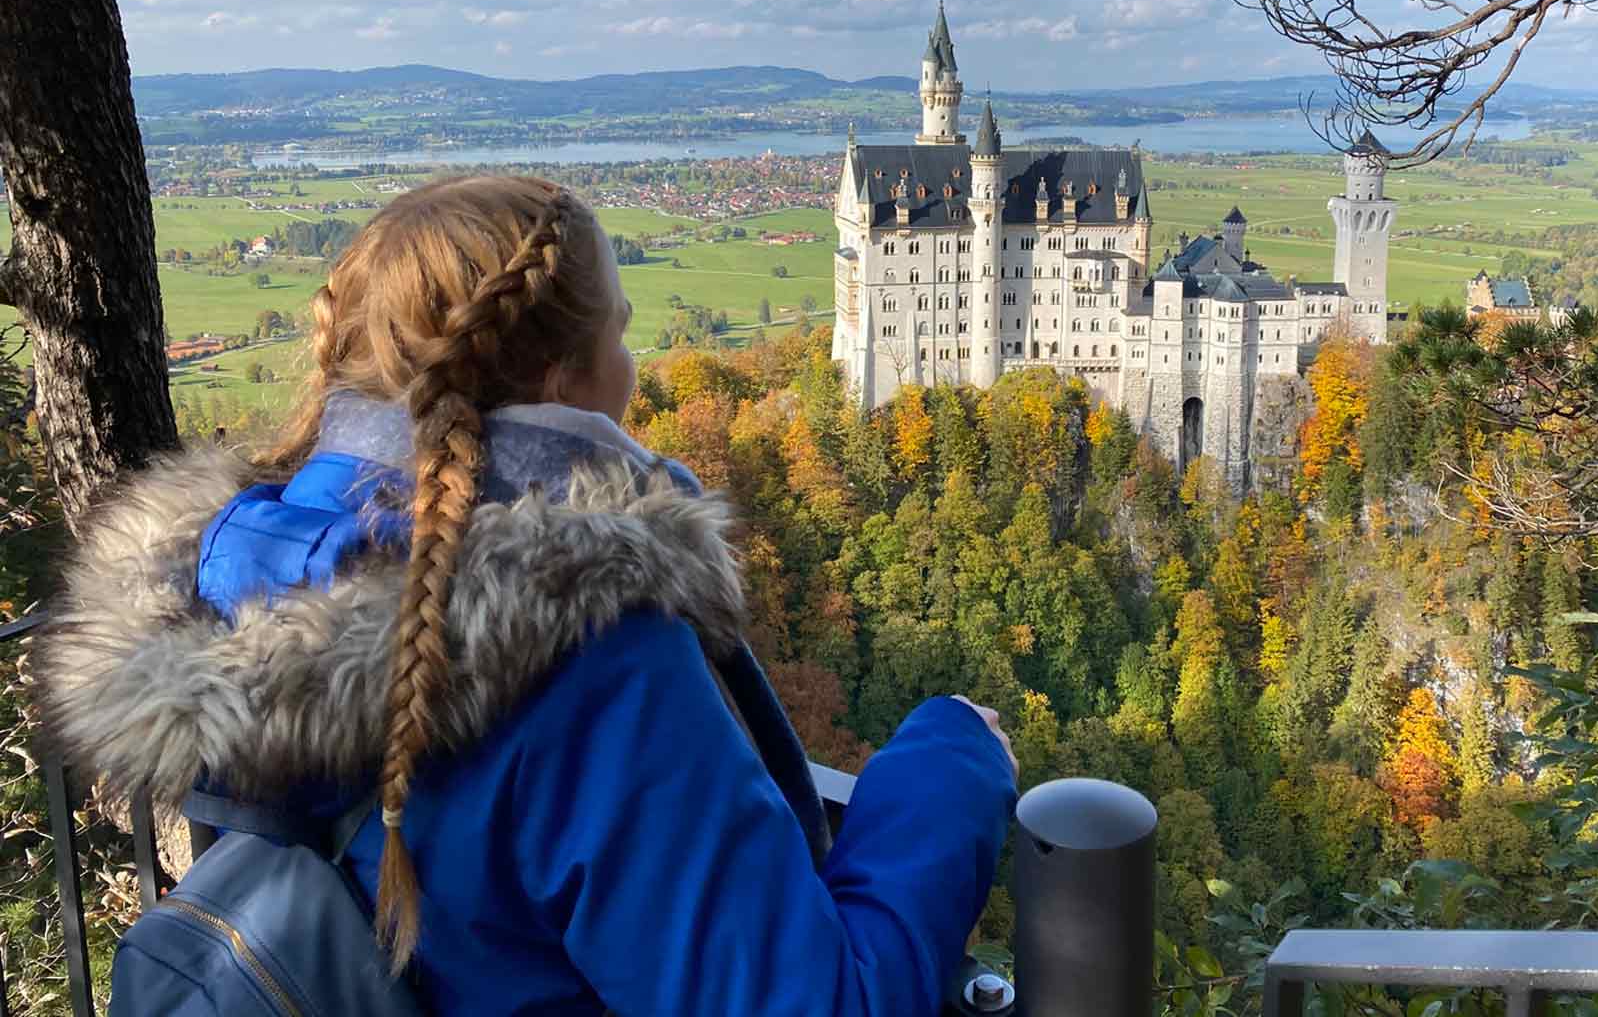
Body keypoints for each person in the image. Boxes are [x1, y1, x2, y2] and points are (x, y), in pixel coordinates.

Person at [36, 176, 1018, 1016]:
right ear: (562, 380)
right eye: (622, 334)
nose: (636, 367)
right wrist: (950, 763)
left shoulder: (228, 583)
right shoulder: (590, 663)